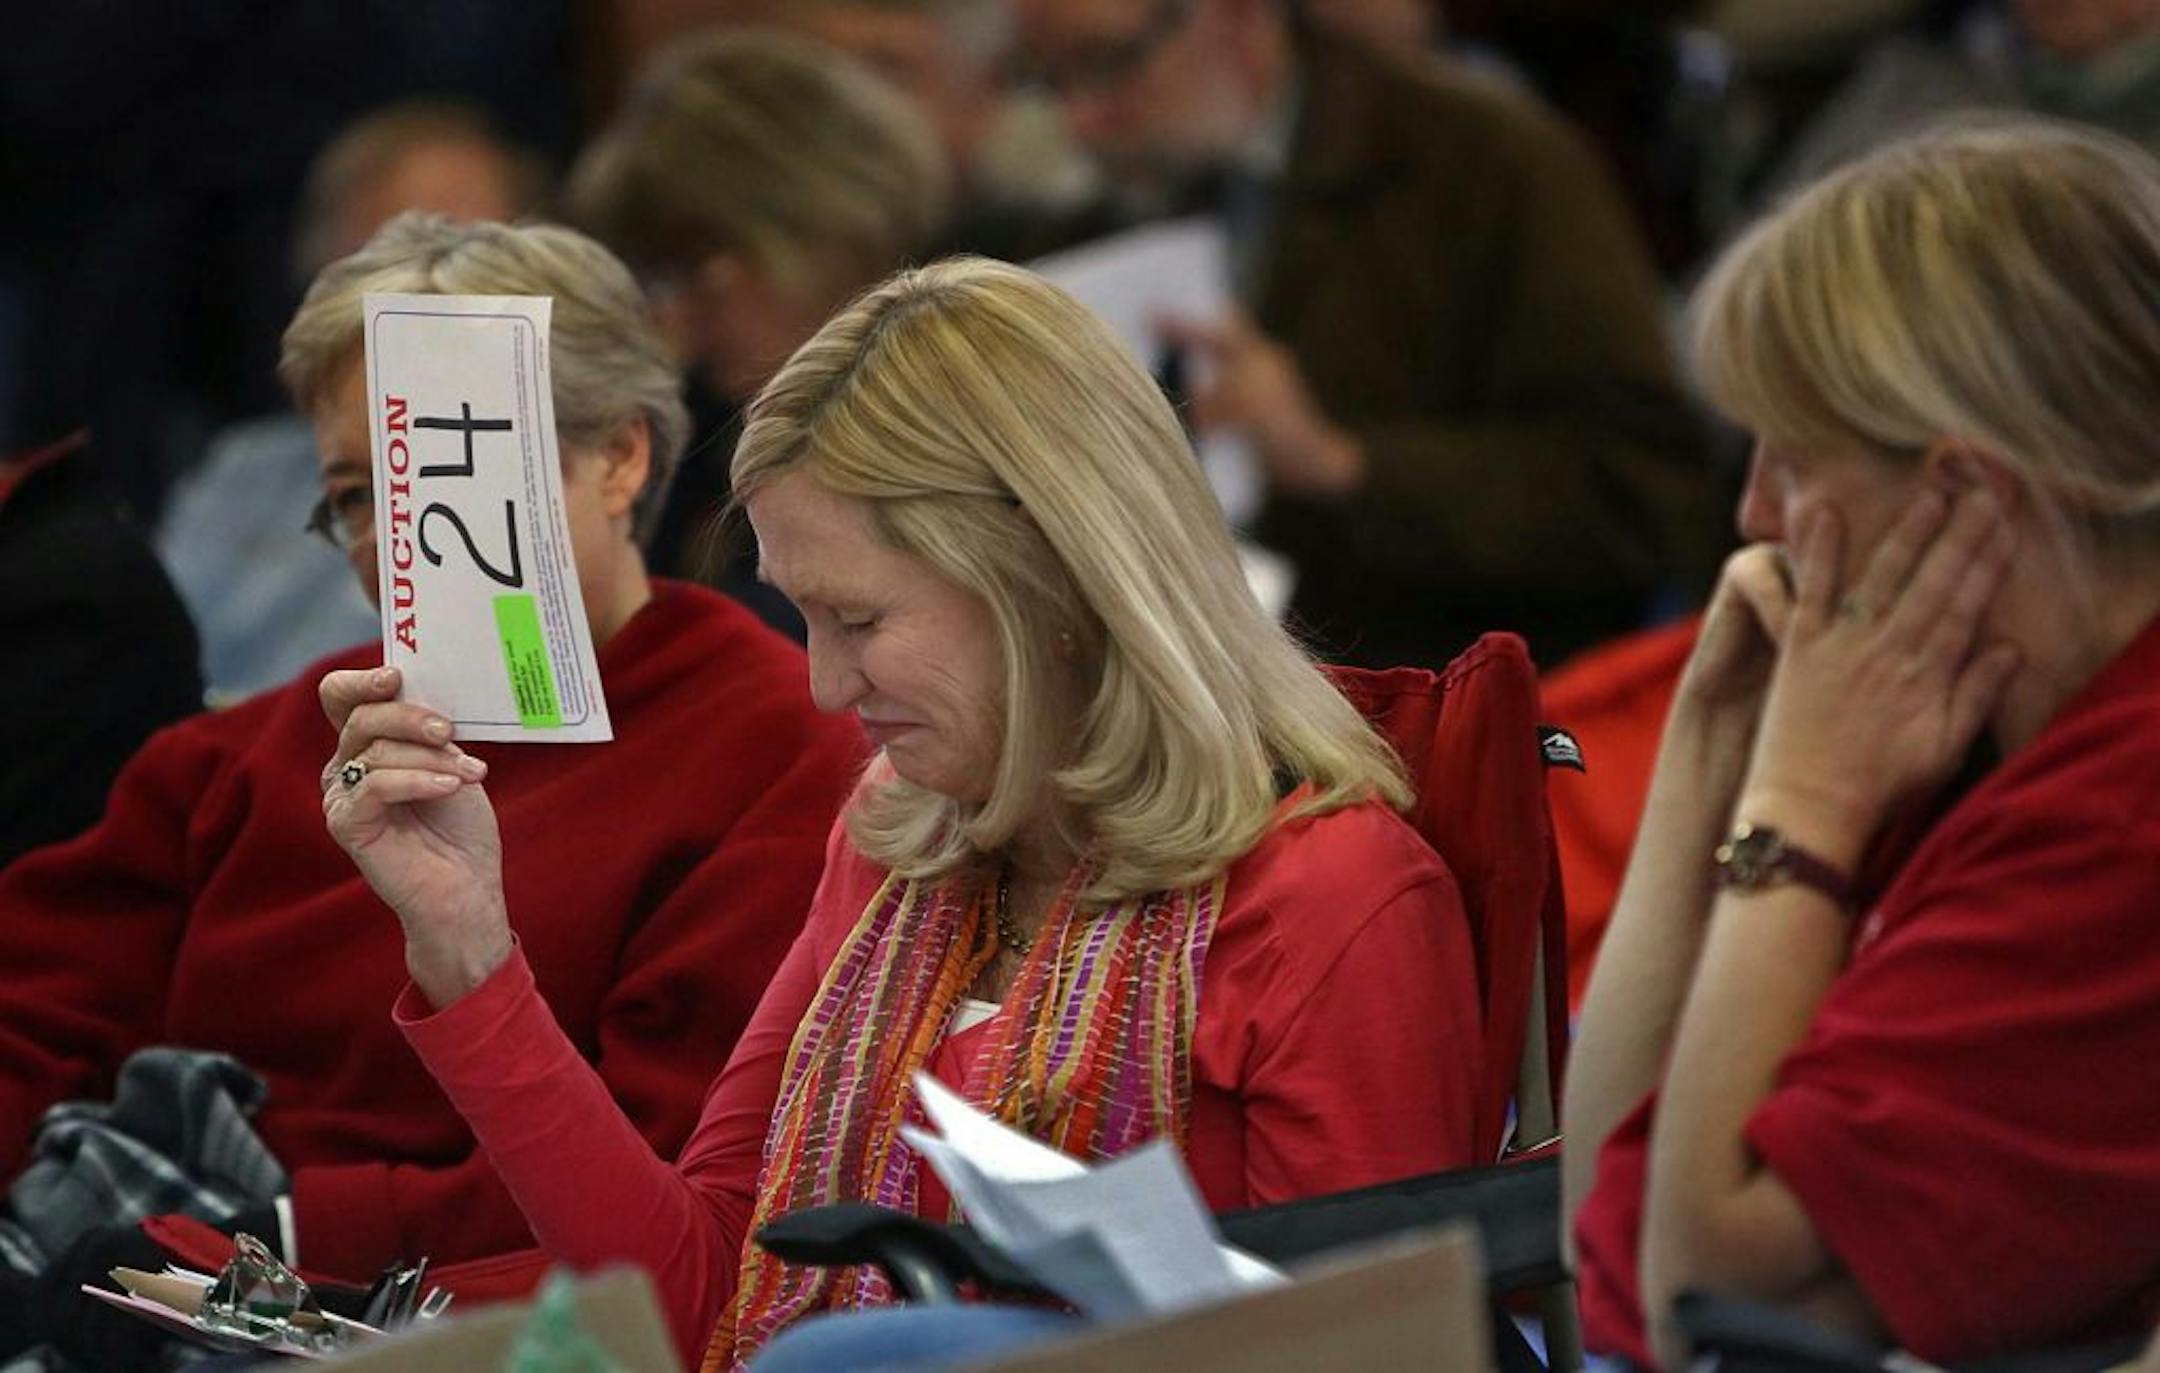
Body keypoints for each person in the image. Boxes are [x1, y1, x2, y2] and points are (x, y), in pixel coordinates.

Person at [320, 256, 1482, 1368]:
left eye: (861, 620)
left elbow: (1373, 1357)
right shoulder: (897, 835)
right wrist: (472, 951)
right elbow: (705, 1305)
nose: (825, 683)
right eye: (804, 619)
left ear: (1054, 579)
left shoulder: (1332, 896)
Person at [0, 215, 865, 1299]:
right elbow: (31, 1012)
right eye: (360, 497)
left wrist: (271, 1230)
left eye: (455, 469)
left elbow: (671, 1178)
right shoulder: (233, 757)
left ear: (620, 456)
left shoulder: (780, 748)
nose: (404, 538)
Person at [1564, 118, 2160, 1369]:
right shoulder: (1963, 733)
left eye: (1788, 452)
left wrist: (1803, 805)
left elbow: (1702, 1303)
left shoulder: (2118, 823)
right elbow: (1595, 1227)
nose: (1755, 513)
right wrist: (1712, 751)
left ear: (1969, 494)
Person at [1011, 0, 1714, 671]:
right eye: (1049, 77)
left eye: (1109, 61)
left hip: (1448, 715)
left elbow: (1642, 499)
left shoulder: (1482, 166)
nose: (1083, 119)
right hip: (1211, 711)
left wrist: (1346, 464)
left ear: (1237, 16)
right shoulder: (1098, 217)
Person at [160, 100, 543, 700]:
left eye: (460, 264)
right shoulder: (241, 475)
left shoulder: (563, 481)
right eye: (375, 271)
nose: (416, 301)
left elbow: (535, 702)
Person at [565, 29, 950, 614]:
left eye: (694, 271)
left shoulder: (963, 414)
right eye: (657, 281)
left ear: (816, 221)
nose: (680, 324)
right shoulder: (696, 433)